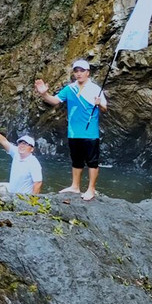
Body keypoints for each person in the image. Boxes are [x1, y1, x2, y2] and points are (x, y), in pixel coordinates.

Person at [35, 58, 107, 201]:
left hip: (90, 132)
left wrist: (99, 104)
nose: (79, 74)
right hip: (73, 132)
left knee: (92, 161)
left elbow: (105, 109)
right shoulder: (70, 88)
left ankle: (91, 189)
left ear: (88, 72)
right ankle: (75, 186)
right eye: (76, 71)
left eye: (82, 71)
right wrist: (44, 94)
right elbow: (55, 101)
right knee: (76, 160)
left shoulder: (95, 89)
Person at [0, 116, 43, 195]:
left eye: (25, 144)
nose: (22, 146)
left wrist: (33, 201)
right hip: (12, 189)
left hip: (23, 196)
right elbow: (4, 142)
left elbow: (38, 183)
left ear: (32, 149)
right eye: (20, 143)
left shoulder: (33, 163)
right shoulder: (17, 152)